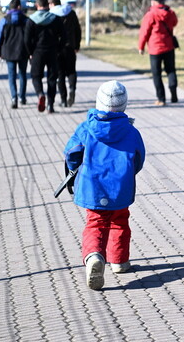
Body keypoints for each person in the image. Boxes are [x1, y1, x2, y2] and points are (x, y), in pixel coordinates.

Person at [64, 80, 145, 290]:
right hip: (120, 187)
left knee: (95, 223)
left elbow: (72, 152)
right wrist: (129, 174)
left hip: (93, 186)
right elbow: (139, 158)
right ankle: (119, 261)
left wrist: (74, 168)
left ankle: (93, 257)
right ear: (123, 105)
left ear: (99, 102)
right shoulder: (130, 131)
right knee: (120, 221)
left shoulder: (86, 128)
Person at [25, 0, 66, 113]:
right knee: (52, 78)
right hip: (53, 51)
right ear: (48, 5)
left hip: (37, 52)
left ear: (37, 6)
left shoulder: (31, 20)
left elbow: (26, 39)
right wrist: (59, 49)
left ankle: (40, 94)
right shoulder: (56, 19)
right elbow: (64, 36)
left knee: (36, 76)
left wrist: (30, 52)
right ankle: (50, 105)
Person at [138, 0, 179, 106]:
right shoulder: (170, 12)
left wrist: (141, 47)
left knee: (157, 74)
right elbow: (175, 22)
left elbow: (144, 32)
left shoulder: (151, 14)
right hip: (169, 46)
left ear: (155, 2)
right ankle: (174, 95)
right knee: (171, 70)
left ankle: (161, 99)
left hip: (155, 48)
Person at [0, 0, 29, 109]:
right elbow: (30, 37)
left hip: (9, 52)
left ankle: (14, 97)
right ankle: (22, 97)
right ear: (19, 7)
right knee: (23, 74)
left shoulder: (4, 20)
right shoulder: (26, 20)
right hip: (23, 51)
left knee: (11, 76)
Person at [49, 0, 82, 107]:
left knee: (60, 74)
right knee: (71, 71)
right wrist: (77, 45)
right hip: (70, 47)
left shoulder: (51, 15)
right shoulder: (71, 13)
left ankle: (63, 100)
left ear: (52, 4)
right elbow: (78, 29)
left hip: (57, 48)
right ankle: (72, 89)